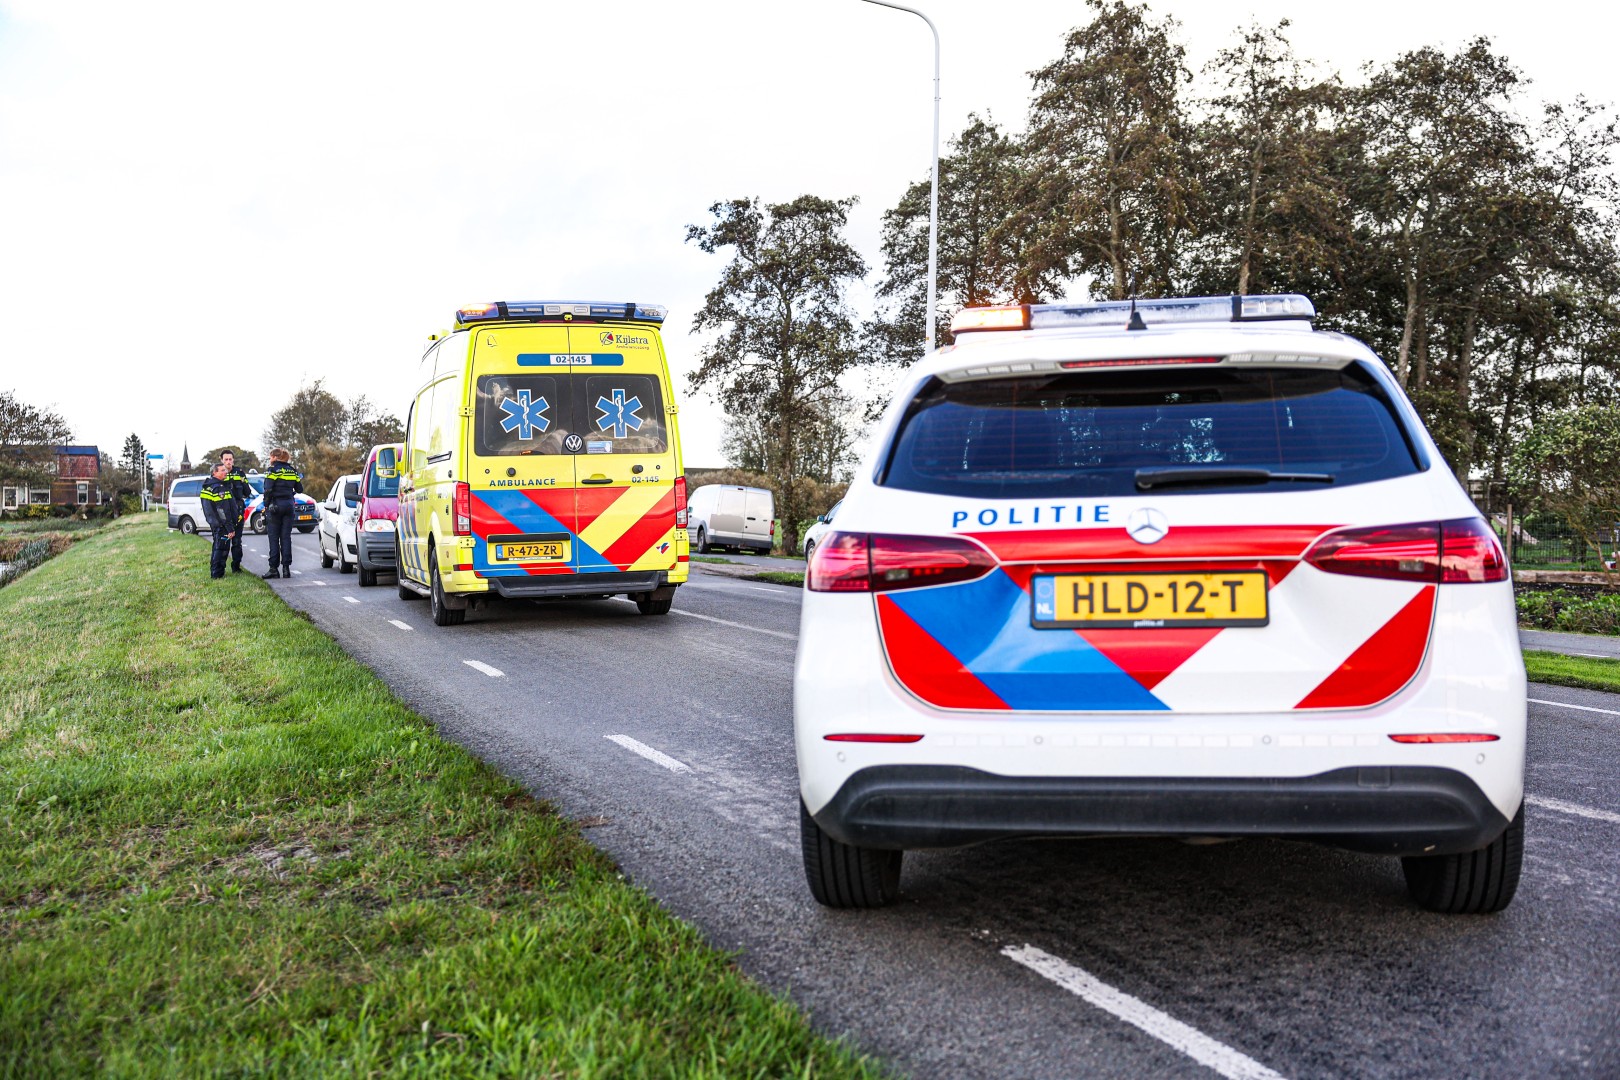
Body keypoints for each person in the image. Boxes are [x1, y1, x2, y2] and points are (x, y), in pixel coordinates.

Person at [260, 447, 304, 579]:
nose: (270, 460)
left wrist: (266, 505)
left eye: (270, 457)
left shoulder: (272, 470)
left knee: (274, 538)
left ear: (275, 457)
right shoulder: (293, 471)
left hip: (275, 506)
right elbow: (300, 489)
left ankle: (273, 568)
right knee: (286, 537)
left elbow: (267, 489)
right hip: (289, 506)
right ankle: (286, 568)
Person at [199, 462, 243, 580]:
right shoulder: (218, 488)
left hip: (217, 523)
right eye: (222, 470)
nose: (226, 472)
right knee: (221, 548)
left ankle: (217, 571)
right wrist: (229, 527)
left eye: (225, 470)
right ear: (215, 473)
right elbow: (222, 511)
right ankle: (217, 573)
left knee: (218, 546)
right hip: (222, 524)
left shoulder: (214, 485)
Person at [220, 450, 253, 573]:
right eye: (226, 459)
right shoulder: (219, 473)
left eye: (230, 459)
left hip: (238, 509)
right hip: (224, 511)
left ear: (233, 460)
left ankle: (236, 567)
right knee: (224, 540)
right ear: (221, 460)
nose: (228, 462)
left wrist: (242, 482)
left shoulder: (239, 473)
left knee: (237, 541)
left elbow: (247, 492)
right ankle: (221, 568)